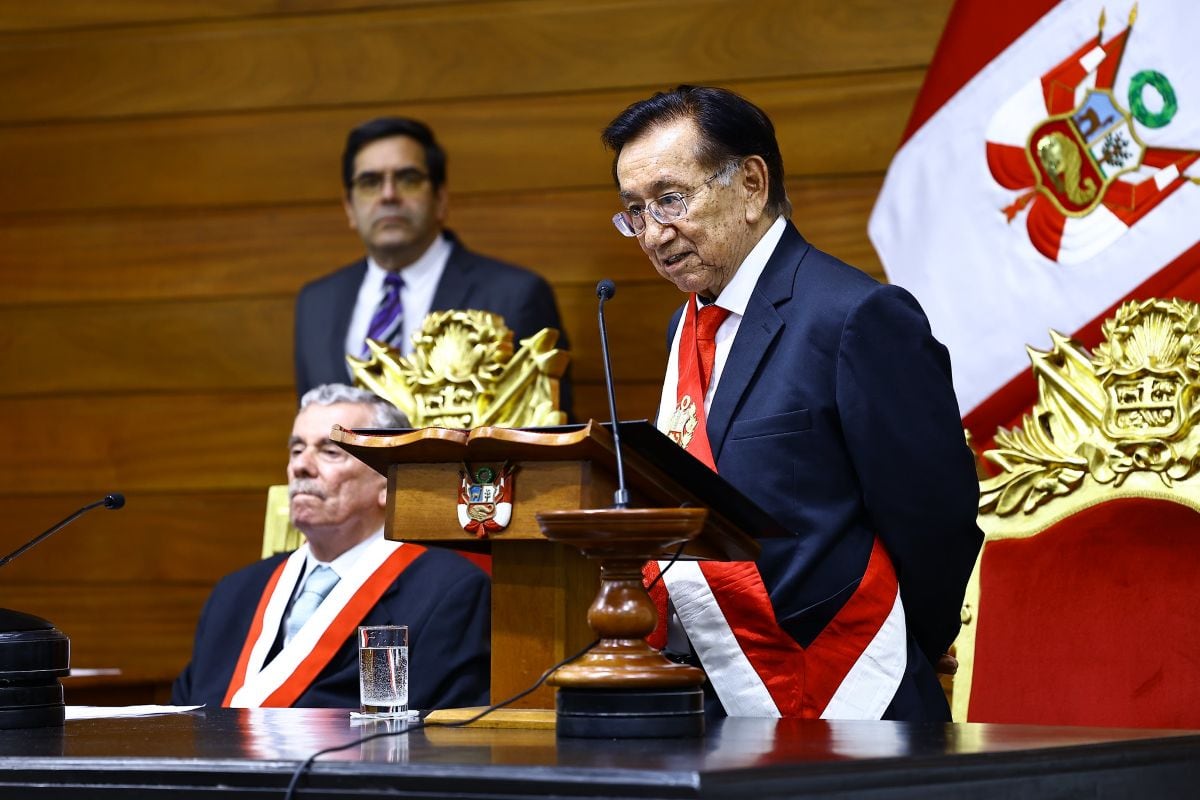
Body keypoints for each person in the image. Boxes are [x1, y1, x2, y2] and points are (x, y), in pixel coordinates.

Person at [601, 86, 982, 721]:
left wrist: (909, 640)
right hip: (716, 700)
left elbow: (933, 518)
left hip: (852, 690)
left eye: (671, 199)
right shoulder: (685, 327)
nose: (653, 234)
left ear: (751, 184)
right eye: (634, 211)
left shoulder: (858, 316)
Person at [173, 384, 490, 709]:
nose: (301, 467)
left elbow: (443, 735)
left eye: (330, 452)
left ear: (388, 481)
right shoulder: (235, 592)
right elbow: (183, 719)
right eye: (296, 450)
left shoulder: (448, 592)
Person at [295, 116, 571, 415]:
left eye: (408, 178)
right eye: (370, 182)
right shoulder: (316, 304)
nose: (388, 195)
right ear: (349, 207)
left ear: (440, 198)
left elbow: (549, 426)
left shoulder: (515, 296)